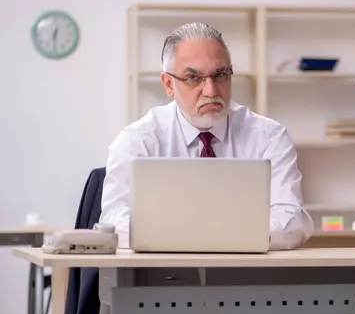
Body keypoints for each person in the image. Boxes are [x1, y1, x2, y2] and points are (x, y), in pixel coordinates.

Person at [98, 22, 314, 250]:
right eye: (193, 78)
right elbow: (112, 219)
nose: (211, 91)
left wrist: (226, 238)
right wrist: (191, 236)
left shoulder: (269, 137)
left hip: (245, 273)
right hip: (160, 274)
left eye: (220, 75)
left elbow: (292, 218)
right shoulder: (137, 140)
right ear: (168, 84)